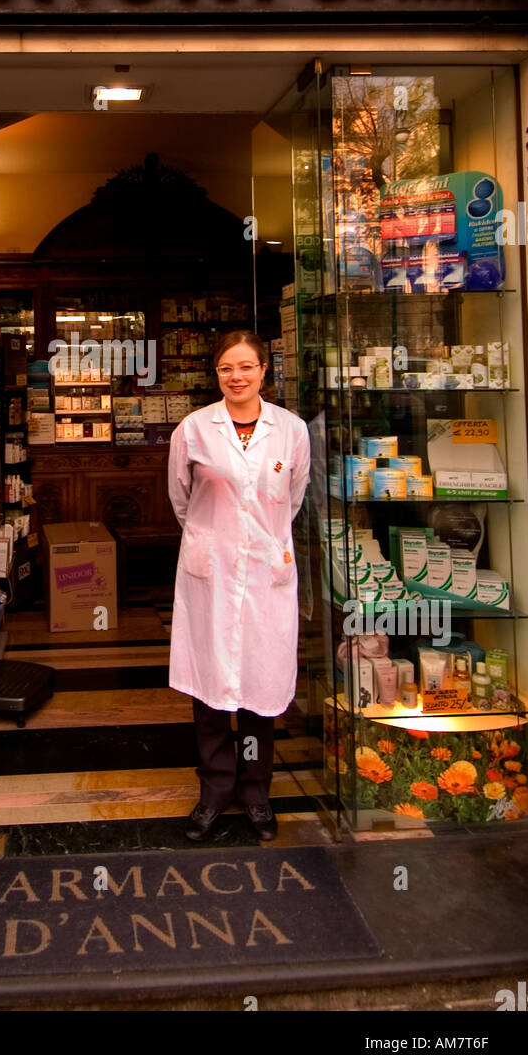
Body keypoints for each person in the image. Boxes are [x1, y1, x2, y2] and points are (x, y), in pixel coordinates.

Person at [167, 329, 310, 842]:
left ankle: (256, 792)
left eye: (246, 367)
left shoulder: (291, 430)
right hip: (212, 571)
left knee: (260, 684)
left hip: (267, 572)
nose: (237, 377)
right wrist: (216, 539)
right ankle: (213, 791)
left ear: (264, 371)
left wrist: (259, 541)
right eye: (228, 368)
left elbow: (290, 500)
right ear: (217, 374)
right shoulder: (193, 429)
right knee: (209, 687)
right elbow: (181, 500)